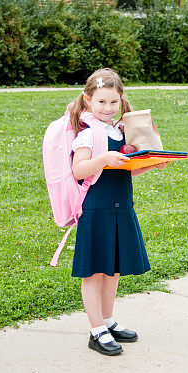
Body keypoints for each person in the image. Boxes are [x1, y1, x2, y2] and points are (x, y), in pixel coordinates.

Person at [69, 67, 167, 356]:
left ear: (121, 101)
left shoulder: (119, 131)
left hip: (121, 209)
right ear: (88, 100)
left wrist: (150, 164)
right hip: (97, 211)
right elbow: (79, 171)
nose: (108, 108)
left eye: (113, 102)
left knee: (113, 271)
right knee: (95, 272)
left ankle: (108, 321)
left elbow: (123, 172)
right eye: (101, 102)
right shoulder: (88, 136)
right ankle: (96, 330)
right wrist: (103, 159)